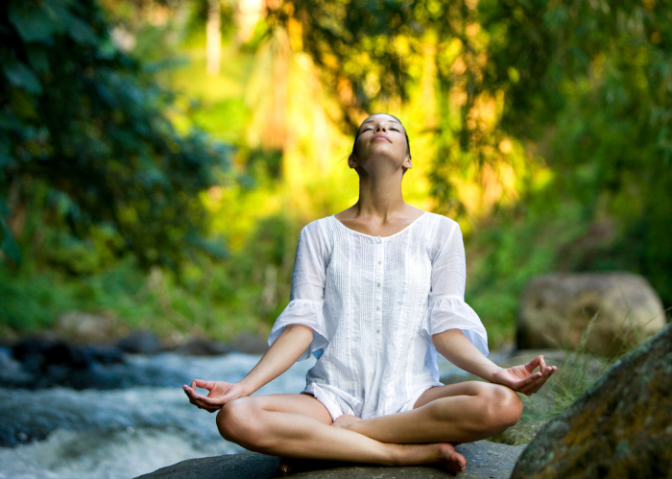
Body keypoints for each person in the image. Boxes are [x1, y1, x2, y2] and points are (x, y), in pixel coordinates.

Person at [183, 113, 557, 474]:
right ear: (353, 159)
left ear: (407, 160)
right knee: (235, 416)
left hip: (414, 397)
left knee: (503, 405)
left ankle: (336, 441)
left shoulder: (441, 232)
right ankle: (398, 455)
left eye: (393, 127)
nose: (381, 128)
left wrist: (497, 374)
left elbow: (446, 331)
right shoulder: (319, 234)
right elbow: (301, 328)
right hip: (330, 399)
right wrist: (242, 387)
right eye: (369, 128)